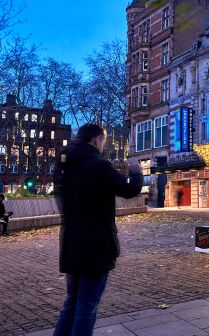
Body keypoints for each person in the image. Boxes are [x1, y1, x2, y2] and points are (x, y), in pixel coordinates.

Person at [53, 124, 143, 336]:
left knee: (72, 303)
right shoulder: (99, 166)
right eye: (103, 141)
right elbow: (130, 190)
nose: (104, 145)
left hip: (71, 244)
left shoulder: (66, 168)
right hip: (95, 245)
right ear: (95, 140)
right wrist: (136, 171)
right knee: (87, 306)